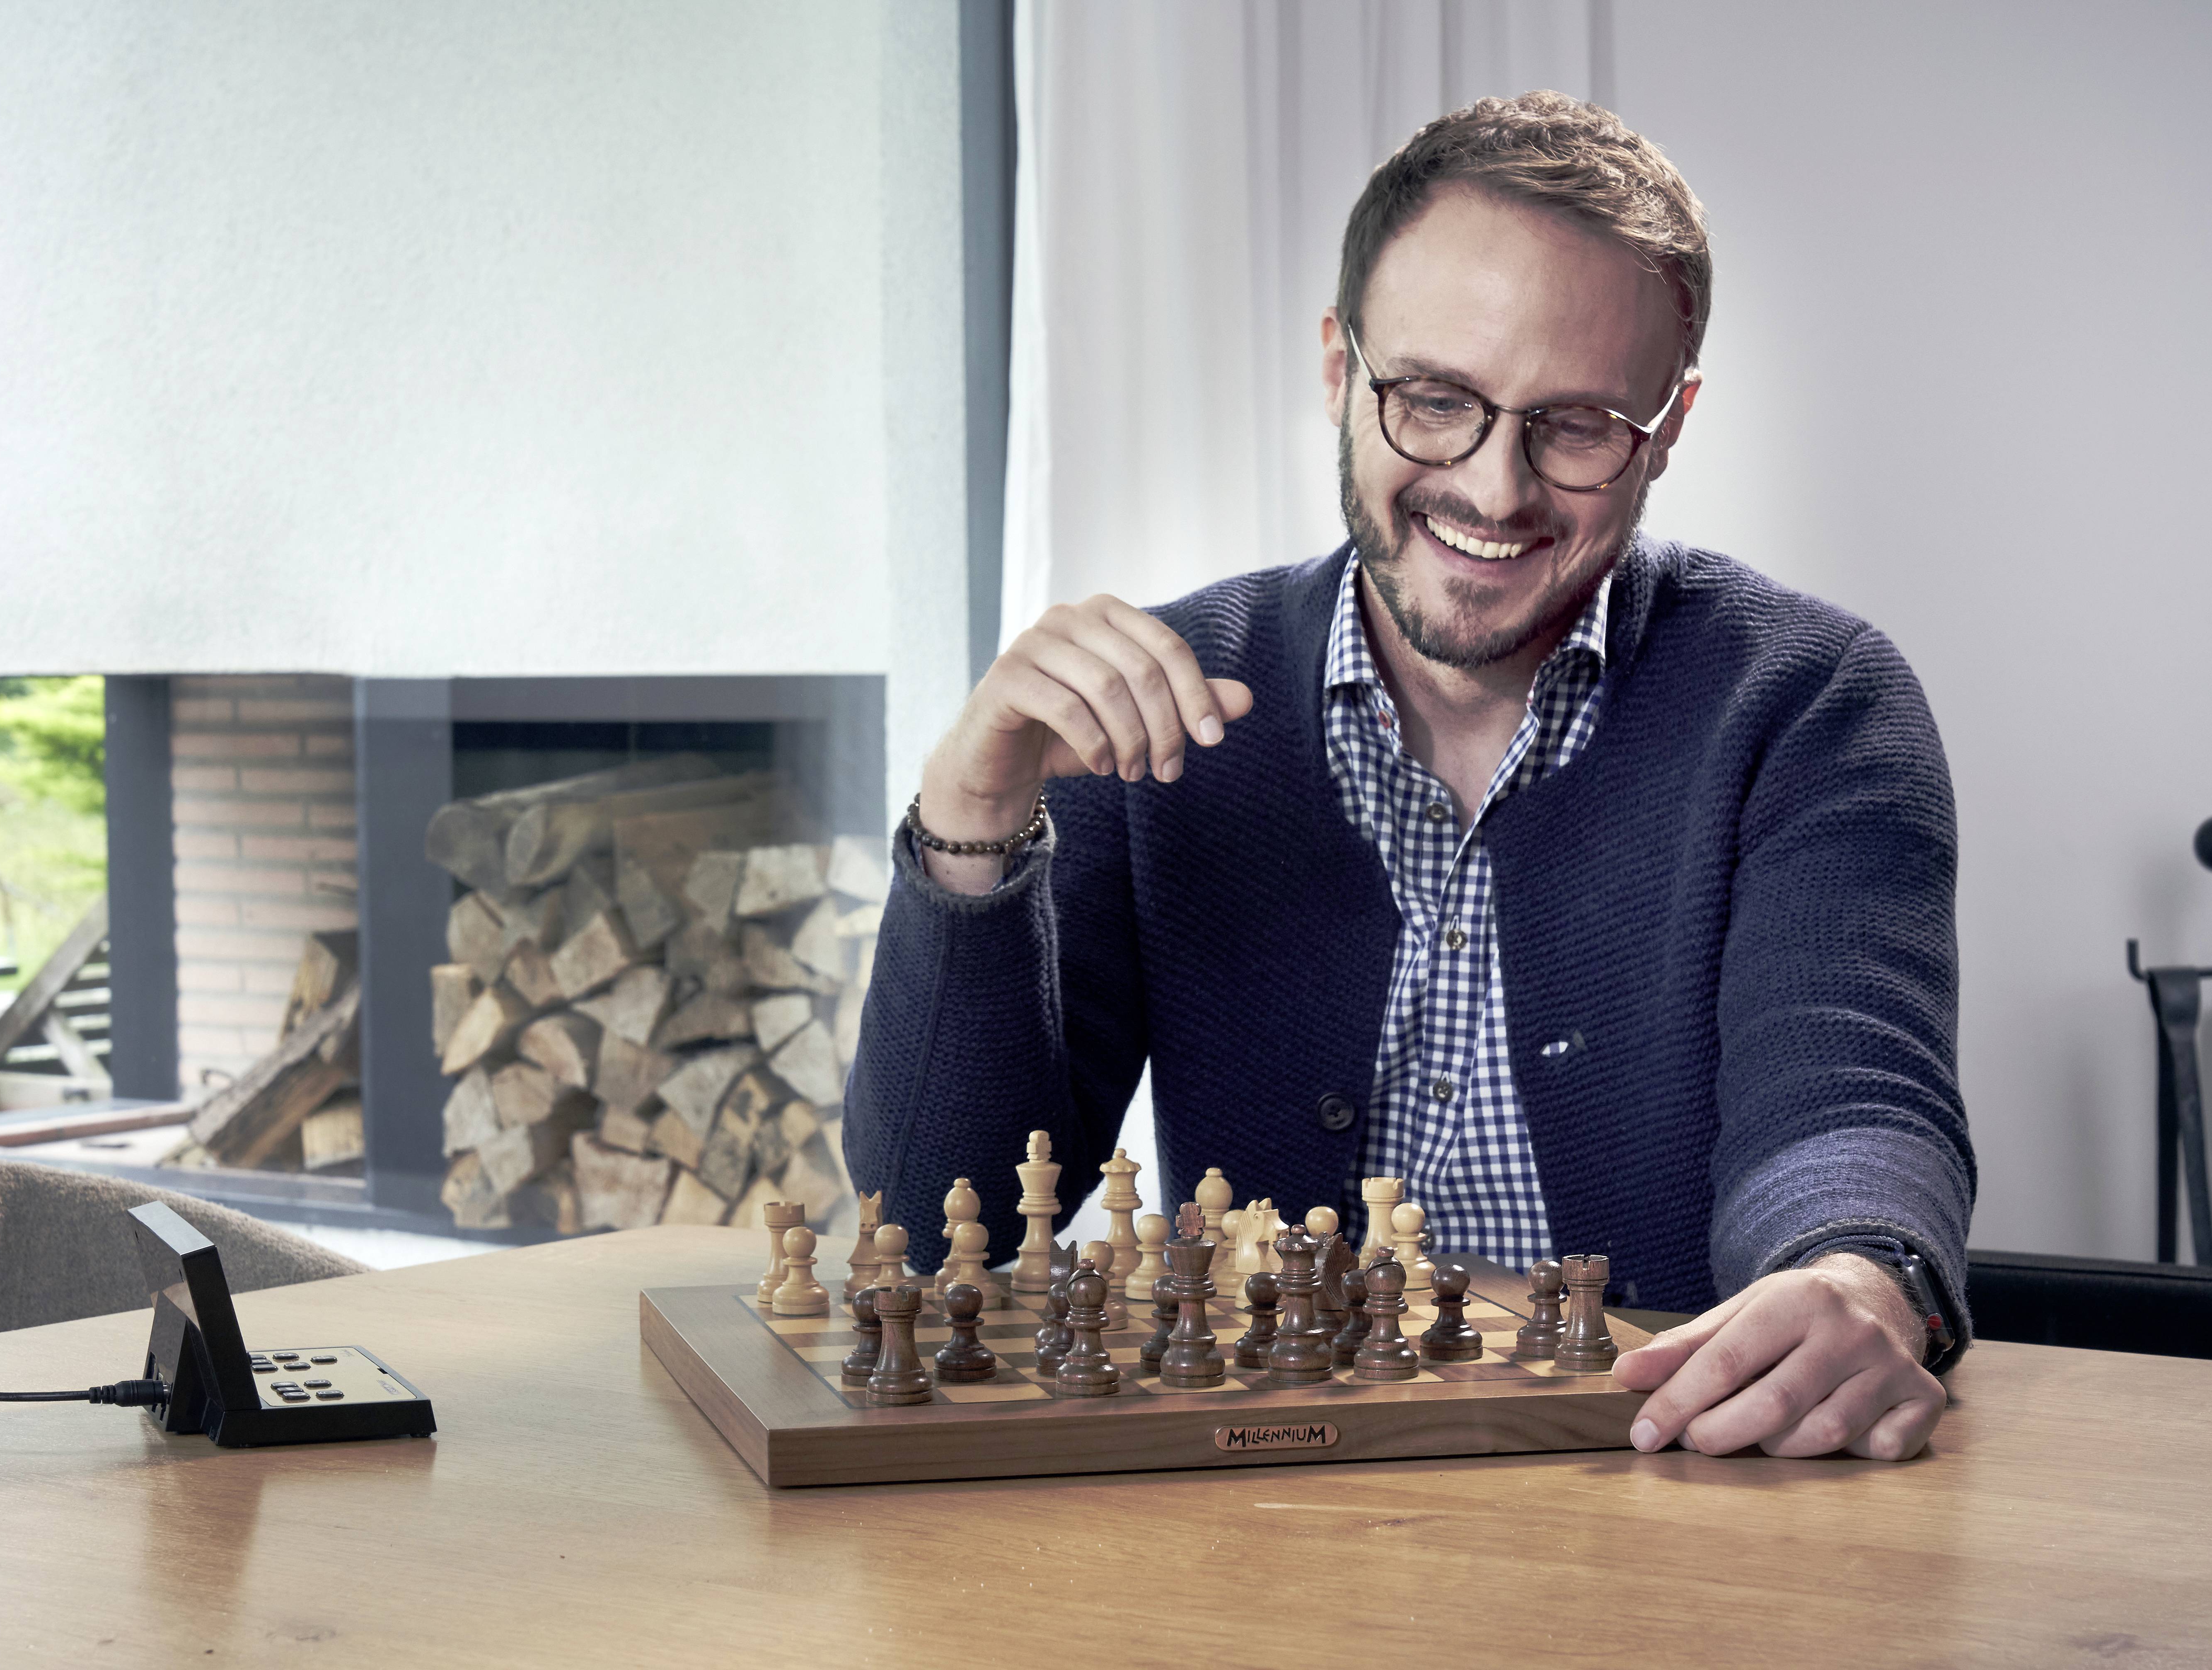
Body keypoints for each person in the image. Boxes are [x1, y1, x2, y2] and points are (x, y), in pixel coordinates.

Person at [842, 92, 1971, 1462]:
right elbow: (931, 1221)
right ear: (1338, 370)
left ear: (1668, 426)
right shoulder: (1153, 706)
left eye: (1576, 425)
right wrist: (971, 819)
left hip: (1670, 1472)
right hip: (1267, 1490)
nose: (1493, 491)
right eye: (1433, 401)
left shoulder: (1807, 701)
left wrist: (1857, 1272)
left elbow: (1845, 1102)